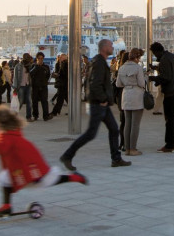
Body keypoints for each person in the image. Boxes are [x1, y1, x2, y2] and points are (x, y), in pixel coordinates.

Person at [0, 105, 86, 216]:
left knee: (48, 180)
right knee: (7, 178)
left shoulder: (7, 135)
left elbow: (1, 148)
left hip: (30, 166)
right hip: (27, 164)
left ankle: (75, 177)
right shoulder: (11, 132)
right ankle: (7, 206)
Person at [59, 40, 129, 170]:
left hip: (102, 103)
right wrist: (102, 98)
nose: (112, 47)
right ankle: (67, 156)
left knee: (114, 129)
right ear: (104, 48)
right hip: (98, 104)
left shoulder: (99, 61)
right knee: (90, 133)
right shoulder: (99, 63)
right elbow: (94, 83)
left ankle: (116, 158)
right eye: (110, 45)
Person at [150, 42, 174, 150]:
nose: (155, 56)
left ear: (157, 51)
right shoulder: (172, 56)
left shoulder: (164, 59)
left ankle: (170, 144)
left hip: (170, 92)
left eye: (154, 54)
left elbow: (166, 77)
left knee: (169, 119)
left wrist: (154, 79)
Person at [116, 47, 147, 156]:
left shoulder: (122, 68)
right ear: (137, 57)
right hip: (136, 95)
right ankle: (133, 149)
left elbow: (118, 84)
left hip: (125, 95)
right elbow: (142, 83)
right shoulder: (137, 68)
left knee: (127, 123)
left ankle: (127, 147)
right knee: (135, 124)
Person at [29, 52, 52, 121]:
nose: (40, 60)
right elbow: (30, 74)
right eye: (39, 58)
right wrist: (36, 66)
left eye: (42, 58)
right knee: (34, 101)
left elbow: (48, 75)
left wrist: (45, 82)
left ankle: (46, 116)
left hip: (43, 86)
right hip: (35, 86)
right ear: (36, 59)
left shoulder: (46, 67)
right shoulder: (33, 66)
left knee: (44, 101)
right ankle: (35, 115)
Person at [13, 54, 33, 122]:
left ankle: (28, 117)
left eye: (28, 58)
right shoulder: (18, 66)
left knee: (29, 101)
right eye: (26, 58)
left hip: (28, 85)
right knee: (20, 101)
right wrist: (15, 87)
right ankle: (14, 116)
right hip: (21, 86)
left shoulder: (30, 66)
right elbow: (15, 77)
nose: (27, 59)